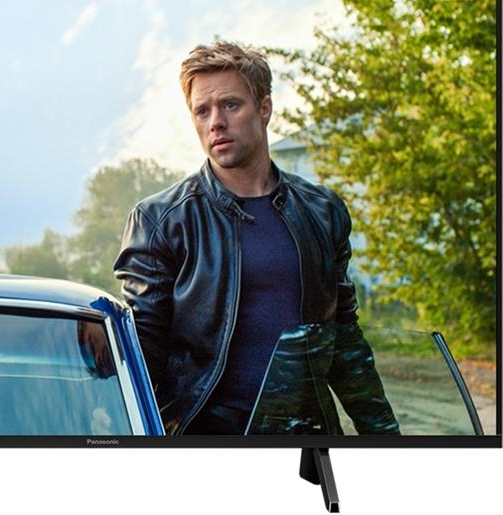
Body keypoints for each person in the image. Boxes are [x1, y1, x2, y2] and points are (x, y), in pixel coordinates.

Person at [113, 41, 399, 436]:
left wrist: (385, 438)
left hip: (304, 438)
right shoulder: (161, 221)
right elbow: (142, 351)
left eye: (230, 105)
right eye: (202, 111)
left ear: (264, 108)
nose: (215, 122)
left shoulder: (322, 211)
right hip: (204, 441)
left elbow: (345, 341)